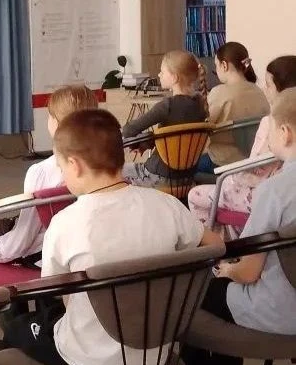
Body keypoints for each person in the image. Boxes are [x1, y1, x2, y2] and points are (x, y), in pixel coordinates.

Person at [0, 109, 221, 365]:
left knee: (16, 331)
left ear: (74, 165)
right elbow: (215, 245)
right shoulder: (166, 205)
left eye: (61, 167)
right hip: (156, 352)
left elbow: (50, 291)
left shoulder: (67, 222)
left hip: (90, 359)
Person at [175, 87, 296, 365]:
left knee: (193, 288)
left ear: (284, 132)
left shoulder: (276, 191)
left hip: (281, 312)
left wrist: (226, 269)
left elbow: (248, 272)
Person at [0, 84, 98, 267]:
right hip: (91, 250)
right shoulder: (107, 167)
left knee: (1, 231)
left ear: (57, 124)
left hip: (45, 256)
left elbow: (25, 236)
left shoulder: (41, 172)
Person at [188, 55, 296, 228]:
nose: (264, 89)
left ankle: (215, 242)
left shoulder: (272, 122)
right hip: (271, 184)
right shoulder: (256, 92)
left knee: (195, 191)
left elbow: (256, 164)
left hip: (252, 183)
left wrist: (234, 175)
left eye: (268, 85)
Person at [122, 50, 208, 187]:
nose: (159, 75)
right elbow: (177, 137)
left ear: (174, 78)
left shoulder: (167, 106)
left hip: (157, 176)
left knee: (110, 171)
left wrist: (141, 140)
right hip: (186, 179)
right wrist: (147, 143)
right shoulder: (200, 104)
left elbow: (128, 131)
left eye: (162, 71)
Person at [197, 42, 269, 173]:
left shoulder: (220, 92)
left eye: (216, 65)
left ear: (224, 65)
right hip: (252, 160)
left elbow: (202, 125)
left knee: (180, 164)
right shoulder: (259, 91)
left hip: (222, 162)